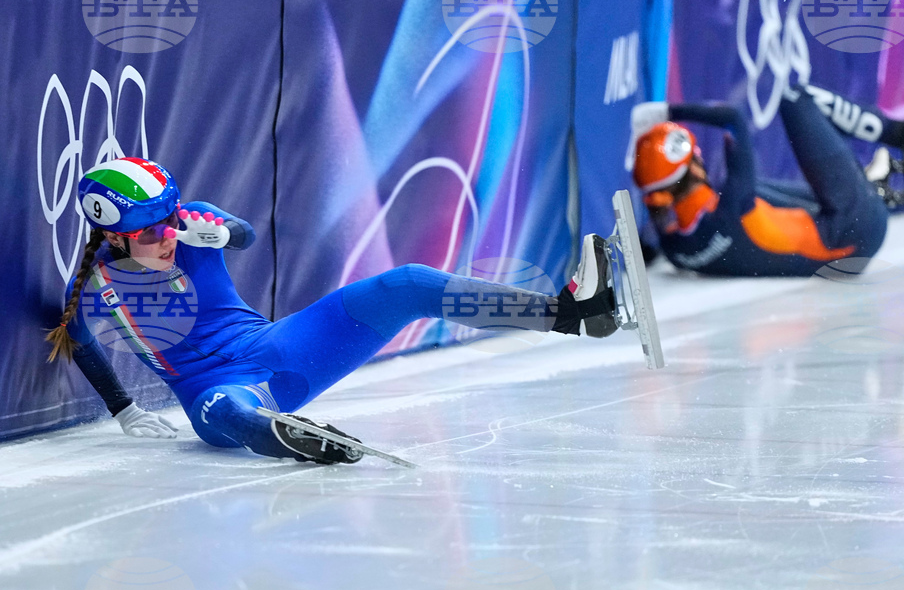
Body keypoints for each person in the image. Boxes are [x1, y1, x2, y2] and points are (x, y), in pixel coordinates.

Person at [47, 158, 619, 464]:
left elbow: (243, 234)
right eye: (151, 232)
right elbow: (80, 339)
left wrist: (222, 235)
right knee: (228, 411)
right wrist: (123, 408)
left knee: (406, 283)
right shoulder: (94, 284)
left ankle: (571, 314)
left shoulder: (191, 222)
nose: (169, 235)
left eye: (170, 220)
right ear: (111, 236)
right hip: (213, 392)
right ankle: (292, 439)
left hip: (275, 347)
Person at [629, 81, 904, 277]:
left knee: (755, 201)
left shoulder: (677, 249)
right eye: (696, 157)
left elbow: (663, 210)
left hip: (846, 252)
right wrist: (669, 112)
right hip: (857, 229)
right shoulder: (731, 206)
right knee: (796, 98)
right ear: (694, 168)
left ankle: (867, 184)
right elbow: (732, 117)